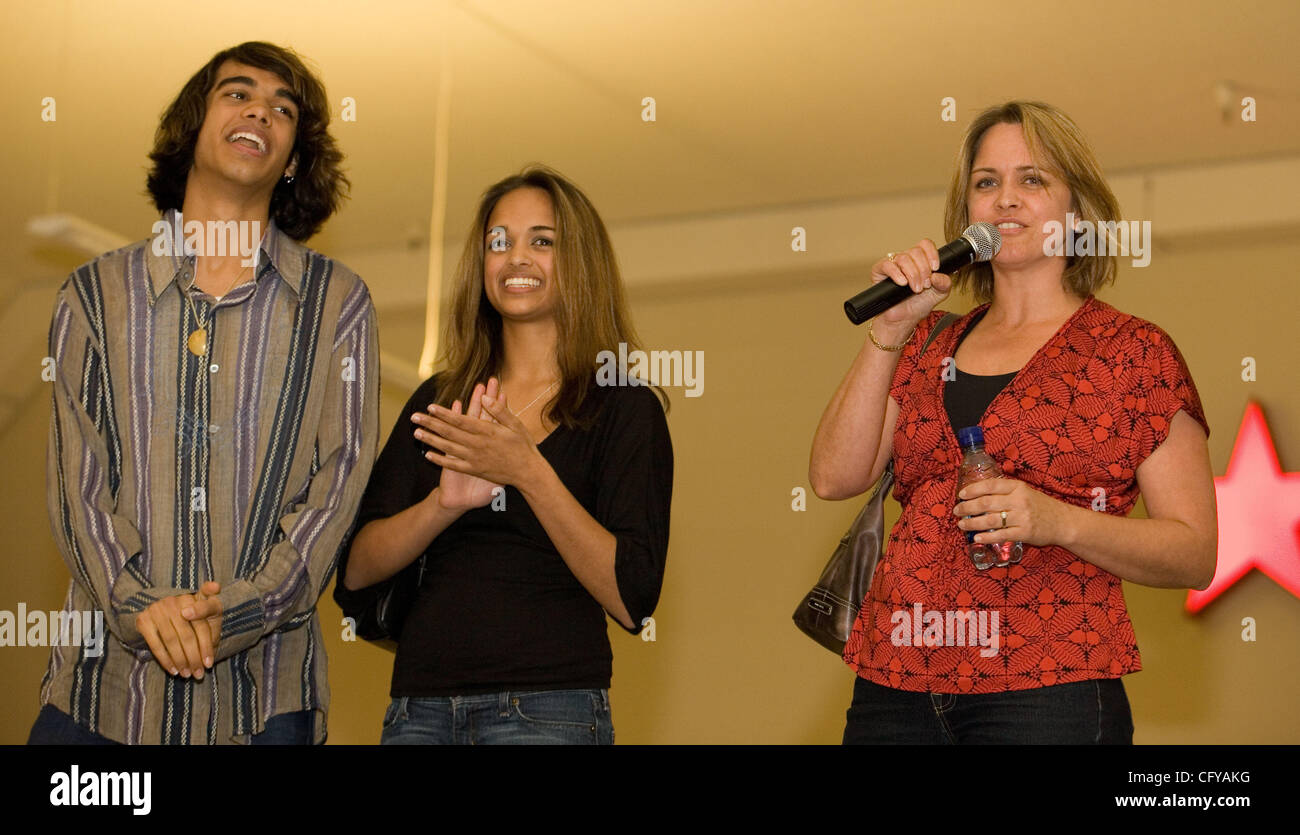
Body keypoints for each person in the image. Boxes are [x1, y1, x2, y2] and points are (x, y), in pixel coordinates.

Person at [809, 101, 1216, 744]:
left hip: (1046, 685)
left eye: (1032, 180)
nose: (1005, 200)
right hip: (895, 682)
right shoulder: (925, 341)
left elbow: (1195, 553)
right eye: (986, 182)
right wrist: (890, 328)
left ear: (1075, 211)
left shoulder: (1134, 353)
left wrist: (1059, 520)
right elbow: (833, 477)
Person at [29, 42, 378, 745]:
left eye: (284, 109)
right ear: (192, 126)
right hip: (100, 700)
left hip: (265, 701)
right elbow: (78, 487)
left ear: (294, 160)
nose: (261, 111)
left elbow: (339, 486)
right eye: (238, 93)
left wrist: (241, 611)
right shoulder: (93, 296)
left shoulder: (338, 304)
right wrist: (137, 605)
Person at [335, 165, 673, 745]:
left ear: (580, 264)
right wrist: (442, 507)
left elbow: (631, 598)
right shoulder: (441, 400)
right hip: (419, 709)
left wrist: (527, 471)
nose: (517, 257)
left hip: (549, 710)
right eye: (500, 242)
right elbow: (355, 573)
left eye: (542, 241)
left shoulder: (623, 407)